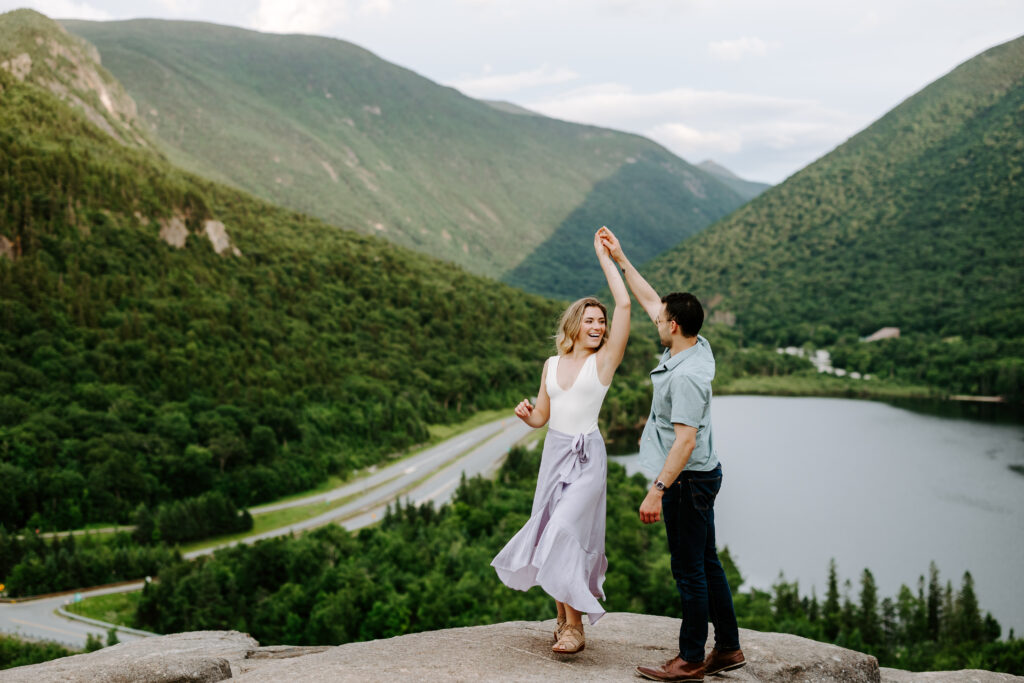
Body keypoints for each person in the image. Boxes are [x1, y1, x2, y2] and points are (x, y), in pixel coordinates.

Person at [598, 227, 746, 682]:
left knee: (689, 571)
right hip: (704, 475)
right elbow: (649, 300)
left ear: (674, 326)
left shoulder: (685, 378)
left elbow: (684, 441)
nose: (655, 320)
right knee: (707, 562)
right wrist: (621, 258)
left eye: (661, 319)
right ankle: (729, 649)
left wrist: (656, 490)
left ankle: (690, 659)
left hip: (686, 481)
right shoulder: (697, 348)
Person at [491, 228, 630, 654]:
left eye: (601, 321)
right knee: (549, 529)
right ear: (574, 324)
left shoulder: (604, 362)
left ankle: (576, 628)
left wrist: (609, 259)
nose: (598, 325)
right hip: (554, 453)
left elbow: (624, 303)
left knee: (563, 532)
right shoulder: (551, 364)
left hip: (587, 456)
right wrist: (527, 415)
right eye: (589, 320)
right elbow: (543, 417)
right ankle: (561, 620)